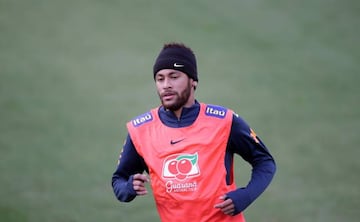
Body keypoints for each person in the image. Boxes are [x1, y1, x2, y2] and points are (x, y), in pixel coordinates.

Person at [111, 42, 276, 222]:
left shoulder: (224, 122)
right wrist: (127, 188)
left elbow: (265, 161)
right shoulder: (141, 130)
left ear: (193, 81)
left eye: (174, 77)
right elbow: (119, 179)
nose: (166, 85)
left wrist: (245, 196)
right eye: (160, 79)